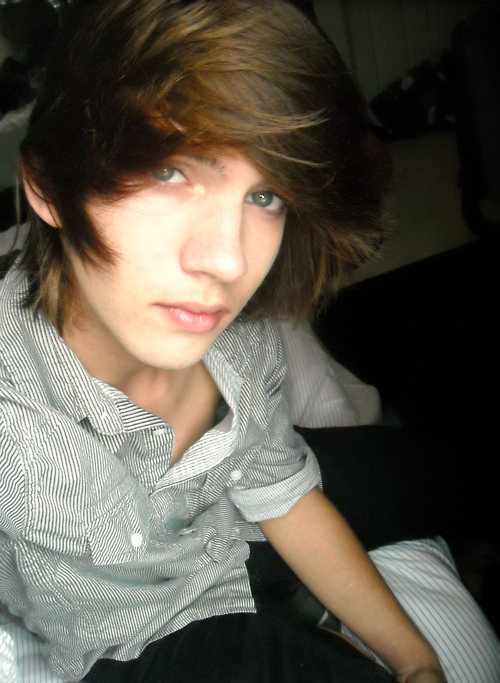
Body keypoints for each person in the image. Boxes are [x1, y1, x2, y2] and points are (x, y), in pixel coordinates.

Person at [0, 1, 495, 681]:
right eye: (169, 171)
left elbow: (283, 493)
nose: (230, 262)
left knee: (443, 468)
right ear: (49, 189)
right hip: (148, 642)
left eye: (265, 196)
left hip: (233, 524)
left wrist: (417, 663)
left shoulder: (241, 343)